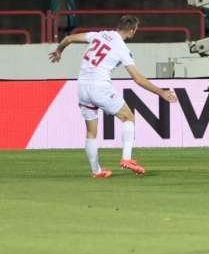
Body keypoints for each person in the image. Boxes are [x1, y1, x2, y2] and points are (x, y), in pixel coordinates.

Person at [48, 15, 177, 178]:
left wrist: (59, 51)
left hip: (82, 87)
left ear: (119, 26)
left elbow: (68, 38)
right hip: (99, 87)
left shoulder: (99, 34)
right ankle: (127, 159)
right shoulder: (122, 48)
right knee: (128, 118)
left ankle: (96, 171)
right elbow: (138, 79)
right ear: (132, 30)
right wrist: (161, 92)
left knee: (91, 132)